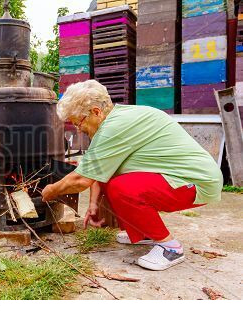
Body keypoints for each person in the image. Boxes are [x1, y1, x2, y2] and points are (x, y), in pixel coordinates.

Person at [41, 80, 223, 271]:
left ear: (96, 112)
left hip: (194, 182)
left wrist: (51, 190)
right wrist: (93, 204)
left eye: (78, 122)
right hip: (178, 178)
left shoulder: (113, 129)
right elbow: (97, 172)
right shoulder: (116, 119)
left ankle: (171, 248)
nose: (78, 129)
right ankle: (144, 233)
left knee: (122, 188)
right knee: (113, 181)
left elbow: (81, 179)